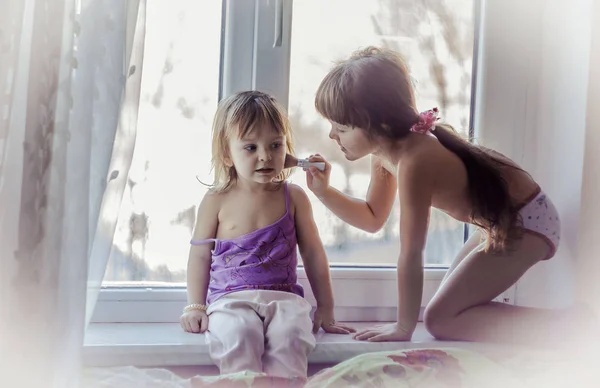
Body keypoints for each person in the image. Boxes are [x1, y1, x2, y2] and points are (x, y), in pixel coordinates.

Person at [303, 46, 572, 345]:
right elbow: (372, 218)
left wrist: (403, 328)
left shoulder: (415, 160)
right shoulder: (383, 151)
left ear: (378, 124)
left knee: (440, 319)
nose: (331, 135)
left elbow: (412, 253)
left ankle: (569, 329)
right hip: (505, 220)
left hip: (526, 221)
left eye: (340, 127)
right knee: (448, 312)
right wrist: (323, 192)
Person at [180, 90, 354, 380]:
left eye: (275, 145)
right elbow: (199, 256)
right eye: (250, 148)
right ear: (227, 153)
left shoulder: (295, 197)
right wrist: (195, 306)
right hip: (229, 300)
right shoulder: (216, 200)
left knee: (290, 337)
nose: (265, 156)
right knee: (240, 334)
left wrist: (326, 307)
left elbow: (312, 254)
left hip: (284, 298)